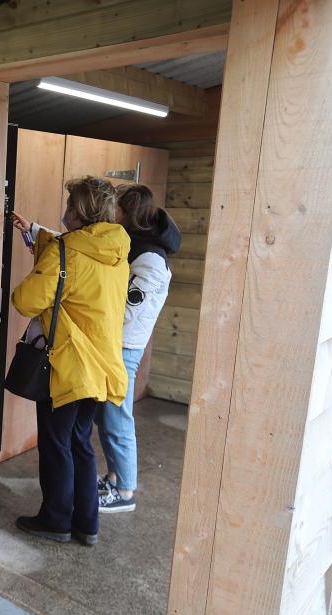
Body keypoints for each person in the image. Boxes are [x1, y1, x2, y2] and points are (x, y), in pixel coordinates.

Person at [10, 176, 130, 546]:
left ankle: (56, 520)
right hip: (101, 367)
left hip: (69, 366)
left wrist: (42, 262)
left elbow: (26, 300)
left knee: (56, 445)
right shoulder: (115, 251)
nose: (65, 210)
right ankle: (86, 524)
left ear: (78, 212)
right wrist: (35, 233)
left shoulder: (67, 252)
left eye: (69, 205)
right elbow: (70, 260)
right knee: (80, 444)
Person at [95, 184, 181, 513]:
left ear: (127, 212)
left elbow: (130, 309)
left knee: (117, 417)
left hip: (124, 346)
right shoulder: (135, 246)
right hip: (114, 342)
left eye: (114, 206)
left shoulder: (150, 258)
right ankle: (114, 477)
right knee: (107, 417)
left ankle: (126, 492)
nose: (108, 211)